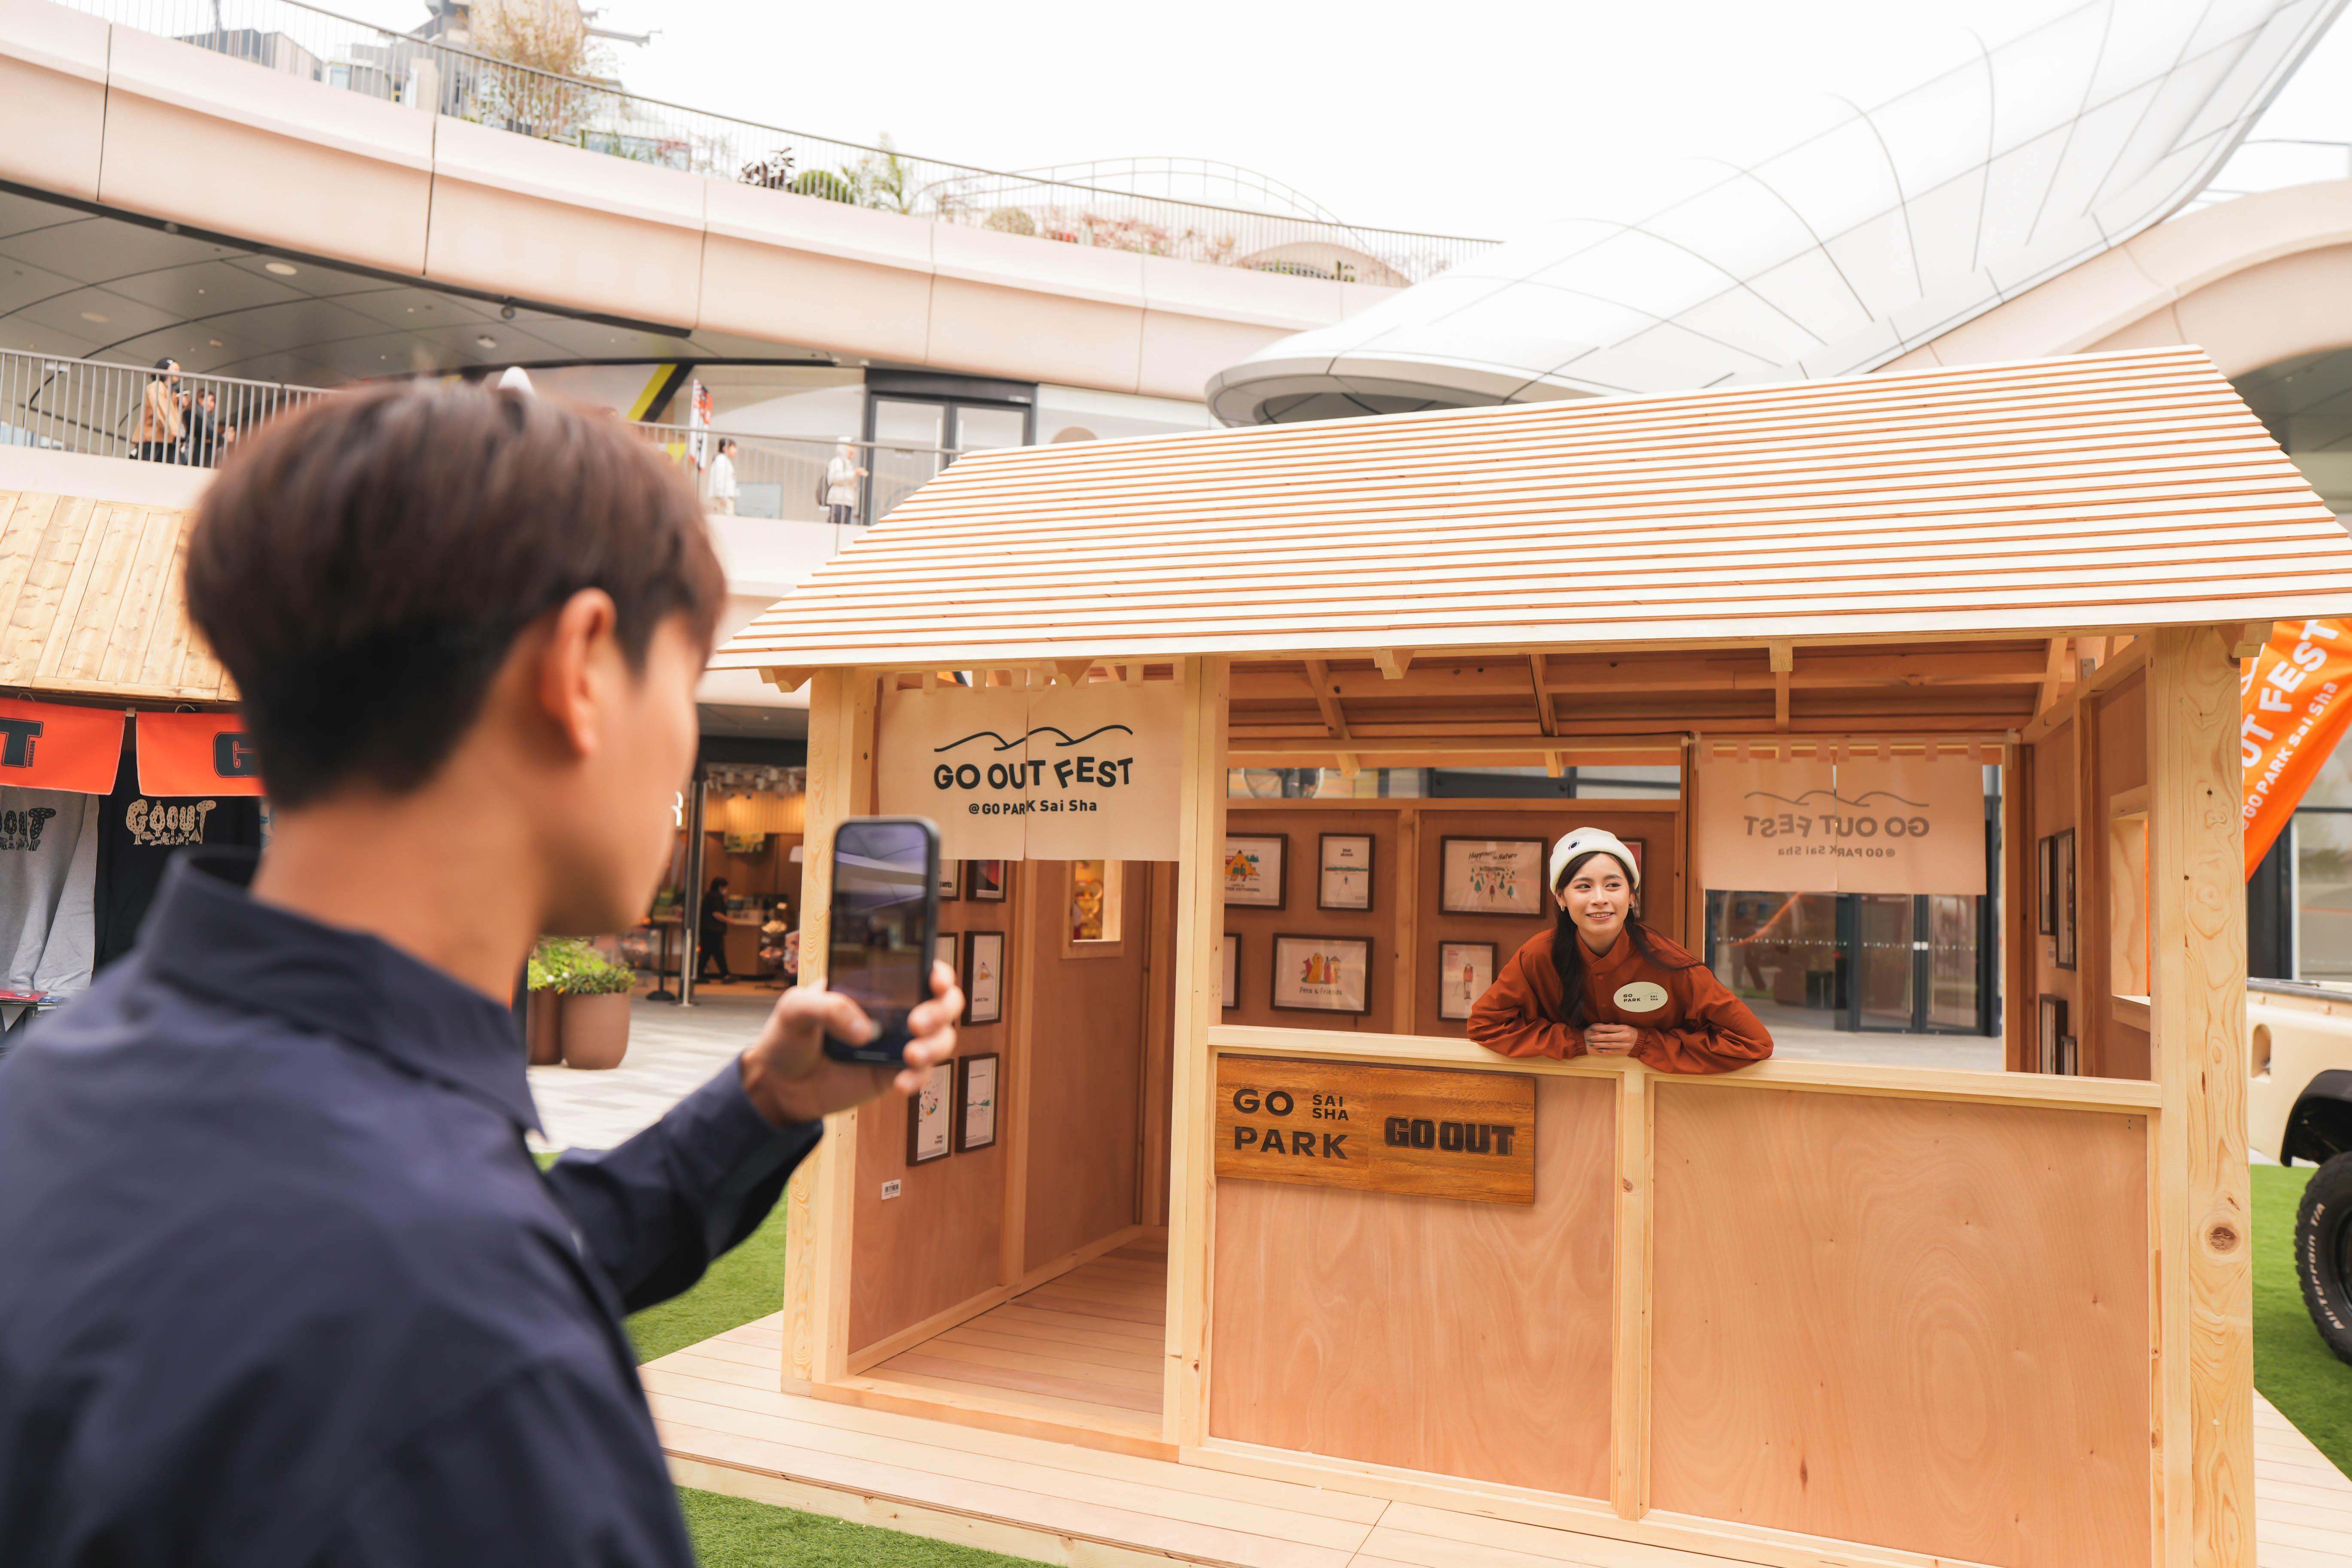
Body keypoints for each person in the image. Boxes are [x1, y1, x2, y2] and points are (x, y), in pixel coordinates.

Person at [0, 380, 963, 1565]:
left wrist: (761, 1104)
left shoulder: (63, 1084)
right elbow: (445, 1280)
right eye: (685, 679)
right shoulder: (480, 1363)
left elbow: (458, 1247)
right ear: (581, 667)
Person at [1469, 826, 1771, 1072]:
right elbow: (1485, 1026)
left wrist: (1645, 1044)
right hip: (1563, 1098)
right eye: (1583, 886)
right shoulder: (1536, 956)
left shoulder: (1671, 962)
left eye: (1613, 885)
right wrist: (1575, 1042)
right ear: (1561, 897)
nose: (1599, 898)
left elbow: (1752, 1042)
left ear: (1631, 896)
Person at [133, 358, 183, 463]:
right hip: (154, 436)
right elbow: (162, 410)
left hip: (164, 436)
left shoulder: (168, 390)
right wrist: (176, 431)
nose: (178, 373)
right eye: (175, 369)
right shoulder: (157, 387)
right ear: (165, 370)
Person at [699, 874, 734, 982]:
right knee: (718, 952)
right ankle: (725, 975)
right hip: (714, 930)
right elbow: (716, 914)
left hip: (706, 929)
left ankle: (700, 974)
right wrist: (729, 920)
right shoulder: (717, 897)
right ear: (720, 887)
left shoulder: (708, 895)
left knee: (706, 953)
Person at [825, 436, 866, 527]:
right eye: (851, 447)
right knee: (836, 527)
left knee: (844, 528)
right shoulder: (837, 462)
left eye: (854, 447)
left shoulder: (849, 464)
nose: (853, 450)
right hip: (838, 501)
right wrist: (854, 474)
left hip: (847, 501)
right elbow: (834, 478)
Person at [707, 436, 738, 515]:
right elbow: (719, 479)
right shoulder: (721, 460)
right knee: (725, 519)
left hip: (726, 497)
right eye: (733, 447)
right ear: (725, 448)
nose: (736, 450)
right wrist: (722, 496)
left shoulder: (725, 460)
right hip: (724, 498)